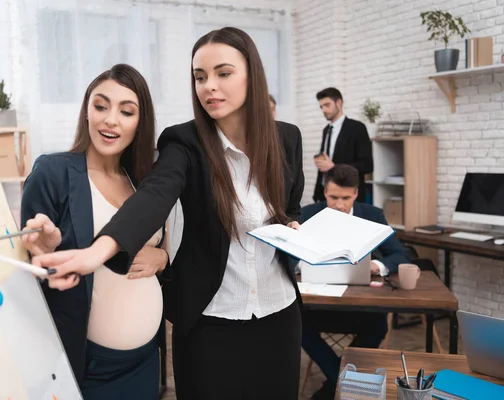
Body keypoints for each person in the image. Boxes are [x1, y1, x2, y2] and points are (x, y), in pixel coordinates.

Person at [33, 27, 305, 400]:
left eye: (222, 73)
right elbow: (153, 197)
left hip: (279, 315)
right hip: (211, 320)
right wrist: (95, 253)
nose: (209, 86)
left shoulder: (287, 138)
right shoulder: (184, 142)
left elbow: (289, 206)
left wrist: (292, 224)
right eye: (200, 76)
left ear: (251, 76)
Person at [20, 64, 169, 400]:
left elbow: (160, 244)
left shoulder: (142, 181)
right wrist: (42, 249)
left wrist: (162, 256)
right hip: (89, 367)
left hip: (146, 360)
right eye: (100, 106)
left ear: (139, 123)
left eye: (126, 111)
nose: (110, 119)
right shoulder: (53, 172)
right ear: (86, 111)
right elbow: (30, 267)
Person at [300, 164, 409, 400]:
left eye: (346, 198)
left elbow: (399, 255)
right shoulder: (307, 214)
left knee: (379, 325)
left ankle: (332, 386)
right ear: (324, 191)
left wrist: (375, 266)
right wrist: (301, 262)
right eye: (333, 197)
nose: (339, 204)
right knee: (295, 324)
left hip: (360, 308)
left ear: (356, 194)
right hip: (319, 305)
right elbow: (288, 256)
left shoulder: (372, 215)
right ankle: (345, 384)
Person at [313, 87, 372, 203]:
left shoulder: (357, 128)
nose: (323, 110)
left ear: (338, 103)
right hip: (326, 195)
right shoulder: (326, 130)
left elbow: (367, 165)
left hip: (348, 195)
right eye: (321, 107)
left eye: (327, 105)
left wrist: (334, 166)